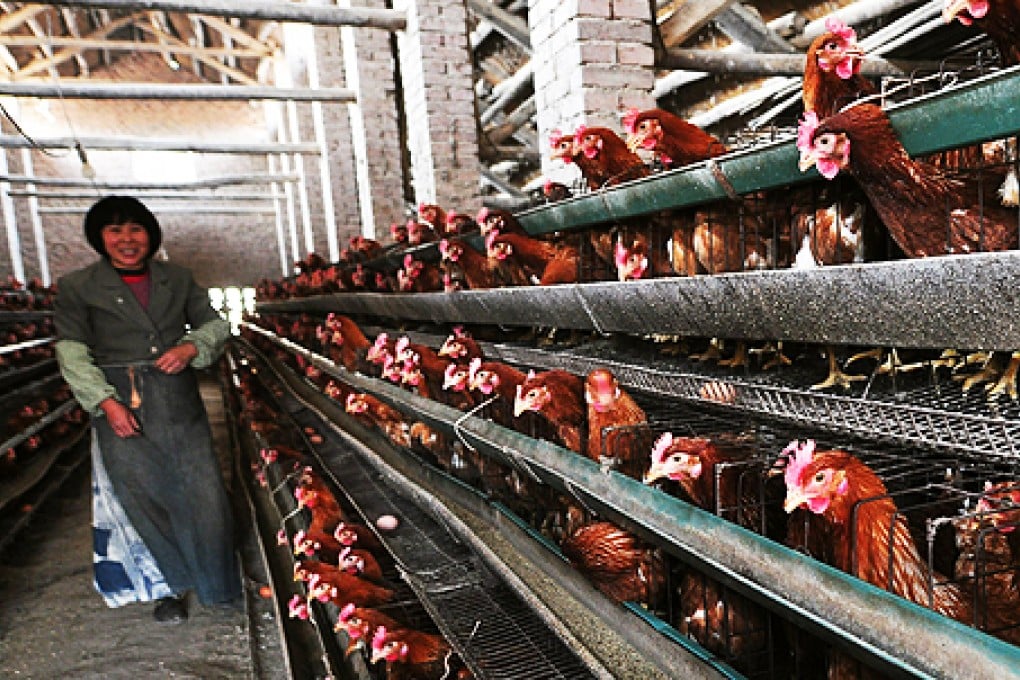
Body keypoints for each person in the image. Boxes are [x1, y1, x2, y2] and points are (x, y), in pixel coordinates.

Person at [53, 195, 240, 623]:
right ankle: (167, 587)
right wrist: (105, 403)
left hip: (177, 397)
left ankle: (218, 583)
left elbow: (215, 322)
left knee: (202, 492)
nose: (127, 239)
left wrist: (193, 345)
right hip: (118, 398)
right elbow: (72, 352)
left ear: (150, 235)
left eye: (135, 229)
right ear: (100, 238)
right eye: (115, 230)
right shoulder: (79, 287)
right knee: (141, 495)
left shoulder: (177, 278)